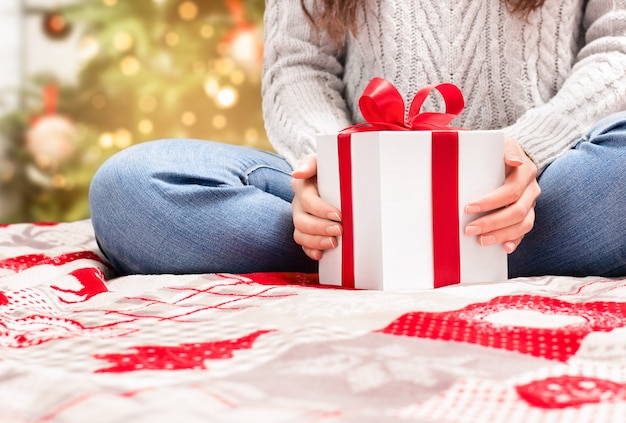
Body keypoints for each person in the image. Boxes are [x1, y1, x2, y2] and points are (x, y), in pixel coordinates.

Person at [89, 0, 626, 278]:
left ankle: (372, 260)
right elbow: (299, 69)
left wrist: (526, 149)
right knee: (130, 186)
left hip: (537, 183)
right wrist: (336, 172)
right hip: (354, 196)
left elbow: (616, 49)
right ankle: (431, 254)